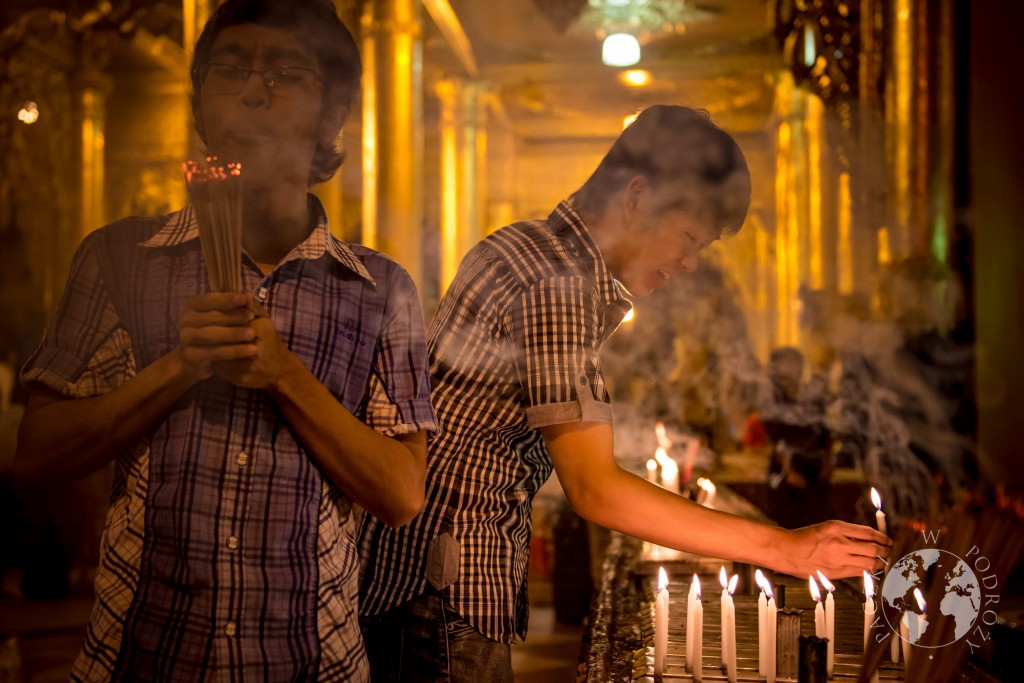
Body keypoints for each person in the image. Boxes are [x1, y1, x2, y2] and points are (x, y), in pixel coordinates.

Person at [358, 105, 891, 682]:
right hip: (444, 582)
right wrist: (782, 549)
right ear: (636, 196)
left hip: (422, 572)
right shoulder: (556, 283)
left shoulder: (529, 249)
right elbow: (594, 489)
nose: (688, 263)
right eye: (688, 237)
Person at [14, 0, 435, 679]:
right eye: (230, 68)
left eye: (286, 72)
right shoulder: (120, 258)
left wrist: (282, 371)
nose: (253, 90)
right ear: (202, 103)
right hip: (139, 657)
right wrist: (182, 365)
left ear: (333, 114)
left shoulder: (379, 289)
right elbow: (36, 455)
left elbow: (401, 493)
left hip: (312, 660)